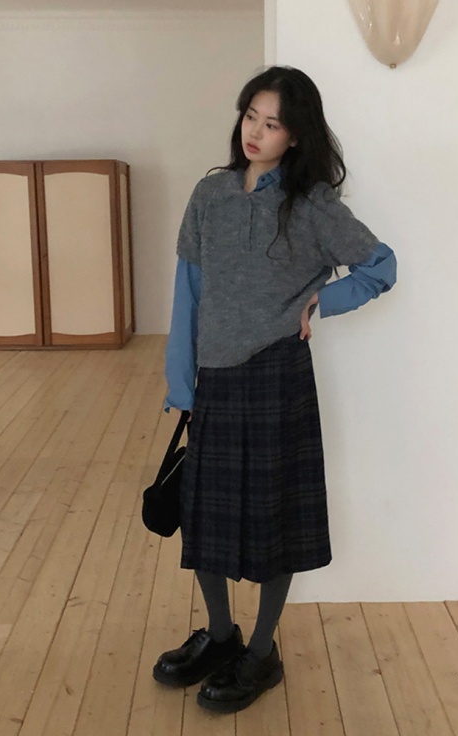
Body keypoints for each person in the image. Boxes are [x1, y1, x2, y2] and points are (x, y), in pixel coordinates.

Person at [152, 65, 397, 714]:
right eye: (250, 116)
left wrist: (322, 302)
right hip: (214, 377)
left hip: (276, 377)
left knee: (272, 519)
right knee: (203, 515)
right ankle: (221, 635)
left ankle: (261, 653)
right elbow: (188, 292)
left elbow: (381, 265)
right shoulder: (210, 194)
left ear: (295, 135)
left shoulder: (312, 206)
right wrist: (182, 381)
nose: (256, 132)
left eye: (273, 123)